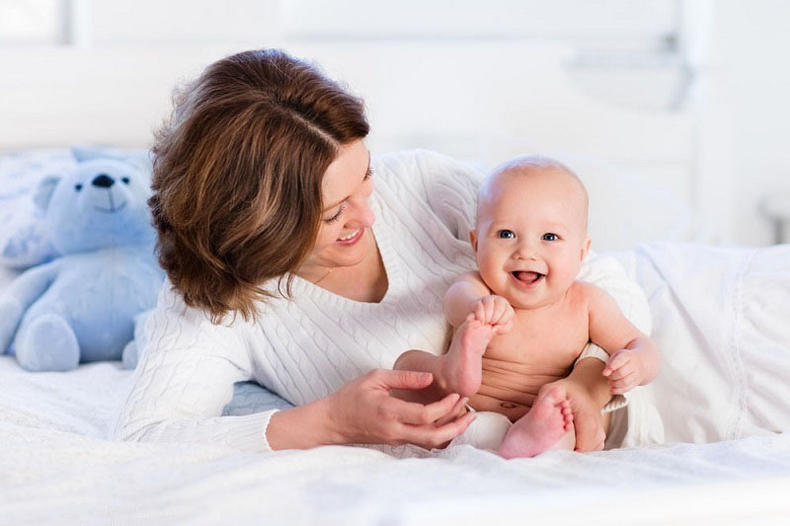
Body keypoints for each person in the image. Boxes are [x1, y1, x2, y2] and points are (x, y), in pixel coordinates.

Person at [114, 49, 653, 454]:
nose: (370, 216)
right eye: (333, 213)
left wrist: (585, 380)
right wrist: (330, 422)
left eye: (365, 177)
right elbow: (145, 437)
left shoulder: (422, 185)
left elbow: (603, 279)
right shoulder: (221, 303)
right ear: (259, 228)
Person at [393, 156, 662, 457]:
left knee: (567, 420)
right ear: (477, 244)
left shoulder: (587, 303)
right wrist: (478, 308)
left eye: (549, 237)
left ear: (581, 252)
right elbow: (456, 303)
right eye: (506, 234)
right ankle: (459, 374)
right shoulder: (478, 287)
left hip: (540, 413)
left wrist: (637, 363)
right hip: (465, 410)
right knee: (408, 365)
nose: (526, 251)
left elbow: (641, 345)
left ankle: (531, 439)